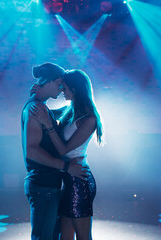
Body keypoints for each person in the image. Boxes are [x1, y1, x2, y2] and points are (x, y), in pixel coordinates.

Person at [30, 69, 103, 240]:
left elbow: (64, 150)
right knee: (65, 236)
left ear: (75, 89)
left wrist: (48, 124)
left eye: (65, 88)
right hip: (67, 178)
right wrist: (39, 94)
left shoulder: (90, 119)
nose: (62, 91)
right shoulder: (70, 110)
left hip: (80, 181)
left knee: (83, 237)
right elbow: (44, 112)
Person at [21, 63, 88, 240]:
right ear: (49, 81)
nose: (61, 89)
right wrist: (66, 166)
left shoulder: (42, 107)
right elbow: (32, 152)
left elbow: (66, 112)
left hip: (47, 185)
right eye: (59, 84)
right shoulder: (36, 108)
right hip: (43, 185)